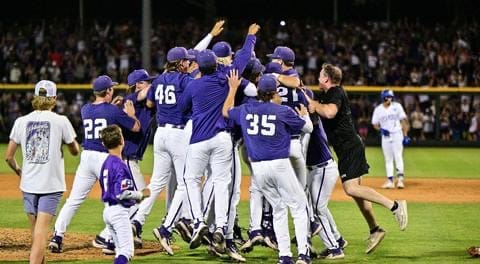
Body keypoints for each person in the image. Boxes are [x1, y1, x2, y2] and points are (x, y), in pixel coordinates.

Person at [307, 63, 408, 254]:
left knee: (351, 188)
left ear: (327, 78)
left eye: (320, 74)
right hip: (349, 147)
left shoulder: (335, 92)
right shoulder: (328, 95)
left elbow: (329, 112)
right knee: (358, 194)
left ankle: (394, 206)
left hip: (349, 148)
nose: (318, 76)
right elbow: (317, 104)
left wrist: (314, 105)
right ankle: (375, 229)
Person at [178, 23, 259, 255]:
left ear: (199, 68)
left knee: (191, 179)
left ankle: (198, 221)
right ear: (216, 64)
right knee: (222, 183)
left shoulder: (193, 85)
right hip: (223, 139)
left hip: (200, 140)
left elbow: (183, 109)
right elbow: (243, 58)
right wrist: (250, 36)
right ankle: (221, 227)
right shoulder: (226, 76)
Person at [223, 72, 312, 264]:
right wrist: (305, 115)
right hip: (279, 164)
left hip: (258, 169)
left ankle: (285, 256)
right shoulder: (282, 111)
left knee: (278, 209)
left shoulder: (246, 109)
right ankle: (303, 255)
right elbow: (307, 128)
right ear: (274, 92)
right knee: (299, 206)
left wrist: (232, 90)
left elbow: (226, 111)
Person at [49, 75, 141, 253]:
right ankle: (108, 239)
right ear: (107, 91)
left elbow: (102, 113)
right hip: (104, 159)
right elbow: (135, 127)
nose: (112, 90)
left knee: (74, 200)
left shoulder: (86, 109)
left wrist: (112, 108)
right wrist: (131, 115)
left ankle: (57, 236)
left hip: (86, 157)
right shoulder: (113, 111)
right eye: (111, 88)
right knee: (117, 199)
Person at [5, 80, 80, 264]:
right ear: (54, 99)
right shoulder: (61, 121)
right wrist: (69, 146)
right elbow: (75, 150)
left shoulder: (21, 121)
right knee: (41, 234)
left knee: (36, 235)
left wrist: (19, 172)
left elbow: (8, 157)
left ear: (35, 97)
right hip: (50, 185)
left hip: (28, 185)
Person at [98, 125, 150, 264]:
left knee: (120, 251)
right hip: (118, 212)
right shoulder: (120, 165)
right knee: (126, 252)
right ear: (122, 140)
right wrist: (140, 195)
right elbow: (121, 194)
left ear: (104, 144)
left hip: (108, 211)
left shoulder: (106, 162)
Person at [371, 89, 410, 189]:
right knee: (388, 158)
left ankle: (400, 180)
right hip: (386, 136)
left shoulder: (397, 106)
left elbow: (404, 121)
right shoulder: (378, 109)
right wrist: (381, 130)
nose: (390, 99)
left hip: (397, 134)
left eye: (391, 97)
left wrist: (405, 135)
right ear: (383, 97)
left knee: (398, 156)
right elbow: (374, 124)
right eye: (388, 97)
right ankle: (390, 181)